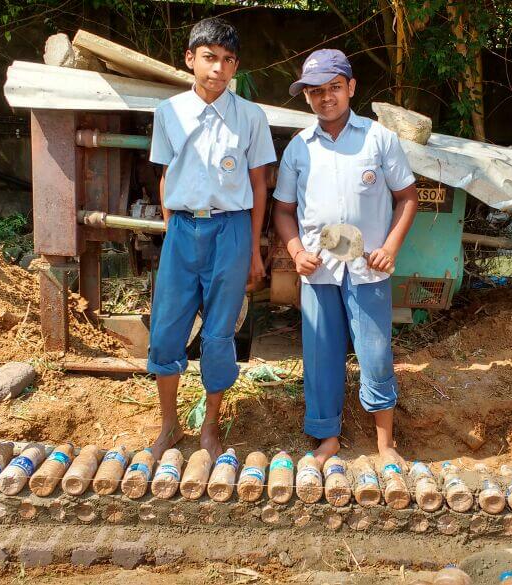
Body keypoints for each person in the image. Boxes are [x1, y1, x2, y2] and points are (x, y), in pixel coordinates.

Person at [272, 49, 418, 464]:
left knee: (375, 354)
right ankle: (327, 439)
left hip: (367, 267)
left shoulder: (378, 139)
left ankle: (385, 443)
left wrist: (390, 247)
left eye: (334, 88)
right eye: (316, 91)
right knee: (321, 355)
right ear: (307, 98)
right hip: (319, 271)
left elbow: (407, 197)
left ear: (351, 88)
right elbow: (283, 210)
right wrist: (296, 251)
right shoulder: (299, 148)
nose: (326, 98)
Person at [147, 17, 276, 460]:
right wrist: (171, 231)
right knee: (166, 331)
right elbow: (166, 175)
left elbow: (260, 184)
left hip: (232, 230)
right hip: (183, 229)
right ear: (190, 59)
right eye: (208, 58)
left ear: (234, 65)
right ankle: (169, 426)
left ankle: (210, 427)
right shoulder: (169, 113)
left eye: (227, 60)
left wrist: (255, 248)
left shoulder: (251, 117)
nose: (217, 68)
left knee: (220, 334)